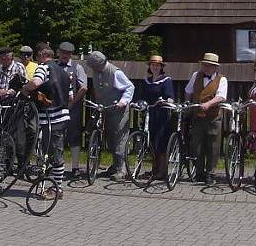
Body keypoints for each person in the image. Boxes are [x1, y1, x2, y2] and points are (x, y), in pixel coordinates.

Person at [20, 46, 71, 200]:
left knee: (55, 154)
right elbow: (70, 96)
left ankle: (57, 189)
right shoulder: (64, 72)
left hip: (51, 117)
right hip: (62, 116)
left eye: (37, 56)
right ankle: (54, 185)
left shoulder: (44, 67)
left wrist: (25, 88)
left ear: (42, 55)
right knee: (53, 151)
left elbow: (36, 82)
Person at [85, 50, 135, 180]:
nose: (92, 69)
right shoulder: (97, 72)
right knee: (110, 138)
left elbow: (130, 87)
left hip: (118, 110)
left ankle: (122, 169)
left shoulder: (116, 72)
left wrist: (123, 101)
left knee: (119, 138)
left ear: (99, 64)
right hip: (105, 109)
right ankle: (115, 166)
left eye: (93, 66)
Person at [185, 53, 228, 183]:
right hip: (198, 116)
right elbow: (188, 91)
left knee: (213, 147)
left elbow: (221, 96)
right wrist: (188, 103)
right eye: (204, 65)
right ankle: (199, 173)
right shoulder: (195, 76)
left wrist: (208, 104)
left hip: (213, 117)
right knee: (196, 145)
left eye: (209, 66)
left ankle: (210, 174)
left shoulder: (222, 79)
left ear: (215, 67)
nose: (206, 68)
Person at [56, 42, 88, 177]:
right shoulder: (52, 66)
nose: (65, 55)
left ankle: (75, 167)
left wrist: (73, 102)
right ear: (58, 52)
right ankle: (58, 165)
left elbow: (84, 87)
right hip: (56, 106)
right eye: (63, 52)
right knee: (57, 136)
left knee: (74, 135)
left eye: (68, 53)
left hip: (72, 107)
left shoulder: (77, 67)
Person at [142, 55, 174, 179]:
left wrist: (167, 101)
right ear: (150, 66)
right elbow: (142, 95)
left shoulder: (166, 80)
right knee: (150, 141)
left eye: (157, 65)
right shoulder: (146, 81)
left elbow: (169, 95)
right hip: (149, 114)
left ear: (161, 67)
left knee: (160, 142)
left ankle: (162, 171)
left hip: (161, 115)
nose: (155, 67)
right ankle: (154, 170)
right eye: (153, 65)